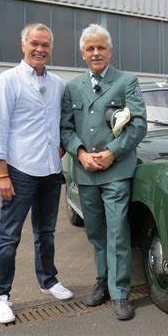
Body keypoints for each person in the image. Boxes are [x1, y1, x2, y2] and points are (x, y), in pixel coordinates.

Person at [0, 23, 73, 324]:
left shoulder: (58, 84)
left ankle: (48, 280)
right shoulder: (7, 81)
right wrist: (0, 173)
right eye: (34, 43)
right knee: (8, 236)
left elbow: (60, 122)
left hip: (50, 171)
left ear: (51, 48)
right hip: (19, 171)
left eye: (45, 45)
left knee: (46, 233)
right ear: (23, 45)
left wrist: (61, 145)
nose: (39, 49)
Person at [60, 24, 147, 320]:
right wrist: (81, 153)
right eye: (90, 48)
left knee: (117, 231)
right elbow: (66, 129)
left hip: (116, 171)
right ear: (83, 54)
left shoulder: (127, 82)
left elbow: (138, 126)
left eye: (101, 48)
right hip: (86, 172)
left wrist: (112, 153)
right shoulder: (72, 88)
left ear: (110, 51)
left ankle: (120, 292)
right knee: (96, 232)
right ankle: (103, 280)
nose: (95, 53)